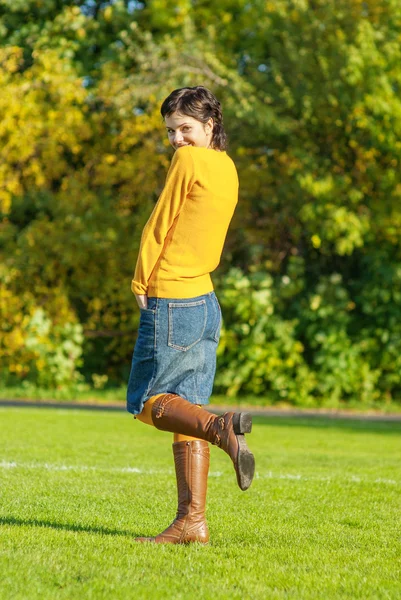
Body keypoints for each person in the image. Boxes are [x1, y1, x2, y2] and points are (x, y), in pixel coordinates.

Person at [127, 86, 255, 544]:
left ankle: (221, 430)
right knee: (185, 409)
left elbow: (160, 222)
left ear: (210, 126)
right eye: (170, 131)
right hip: (205, 303)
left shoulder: (189, 162)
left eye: (185, 128)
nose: (177, 139)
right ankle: (191, 522)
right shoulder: (227, 166)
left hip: (172, 298)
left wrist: (141, 281)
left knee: (145, 402)